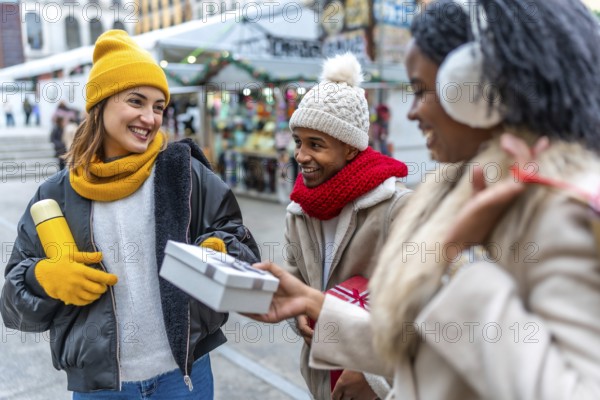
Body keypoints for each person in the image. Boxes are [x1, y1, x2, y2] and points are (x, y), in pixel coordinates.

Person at [247, 1, 600, 399]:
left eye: (418, 91)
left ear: (476, 89)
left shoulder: (561, 208)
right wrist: (313, 303)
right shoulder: (462, 192)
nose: (412, 113)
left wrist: (464, 263)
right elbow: (426, 347)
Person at [1, 30, 260, 399]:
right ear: (101, 104)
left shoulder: (184, 172)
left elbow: (240, 239)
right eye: (136, 101)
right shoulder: (56, 194)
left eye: (158, 106)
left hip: (183, 377)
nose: (150, 118)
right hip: (102, 387)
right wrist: (43, 278)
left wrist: (219, 250)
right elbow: (13, 305)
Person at [284, 52, 411, 400]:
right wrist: (298, 313)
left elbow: (424, 307)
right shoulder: (298, 211)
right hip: (322, 377)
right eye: (299, 142)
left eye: (316, 145)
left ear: (351, 149)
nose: (301, 156)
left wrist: (374, 376)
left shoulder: (396, 207)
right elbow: (296, 277)